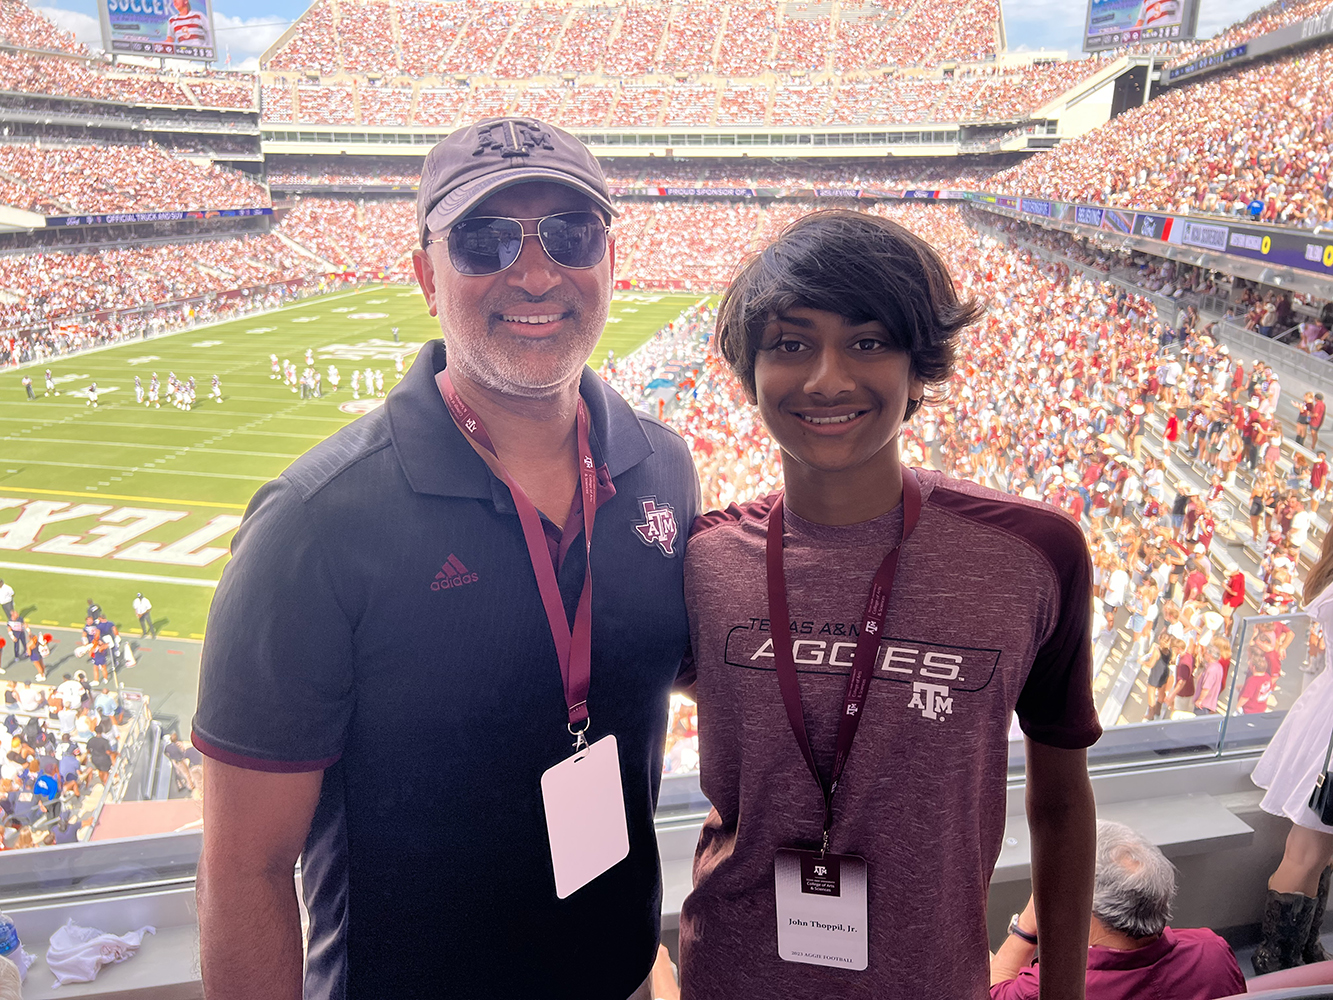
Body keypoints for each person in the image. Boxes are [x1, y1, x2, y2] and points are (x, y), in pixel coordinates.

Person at [193, 117, 700, 1000]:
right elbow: (245, 869)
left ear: (610, 257)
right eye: (483, 240)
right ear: (427, 274)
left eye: (569, 235)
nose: (535, 273)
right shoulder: (313, 522)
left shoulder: (663, 465)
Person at [677, 210, 1099, 999]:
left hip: (929, 979)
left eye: (867, 341)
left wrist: (1063, 995)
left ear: (919, 362)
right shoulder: (701, 559)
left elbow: (1062, 802)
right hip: (731, 974)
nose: (826, 378)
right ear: (750, 370)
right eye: (790, 343)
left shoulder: (1034, 555)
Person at [990, 820, 1245, 999]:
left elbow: (992, 991)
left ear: (1084, 906)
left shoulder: (1043, 989)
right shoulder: (1213, 951)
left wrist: (1027, 925)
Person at [1250, 525, 1333, 972]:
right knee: (1306, 852)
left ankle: (1300, 950)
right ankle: (1276, 955)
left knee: (1321, 853)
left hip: (1325, 724)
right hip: (1328, 737)